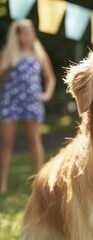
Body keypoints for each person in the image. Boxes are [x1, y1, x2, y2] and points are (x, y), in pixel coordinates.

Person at [0, 20, 56, 193]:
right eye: (25, 33)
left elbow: (51, 78)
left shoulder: (39, 54)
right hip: (11, 102)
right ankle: (2, 184)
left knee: (34, 140)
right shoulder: (9, 54)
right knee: (6, 143)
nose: (28, 36)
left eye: (31, 33)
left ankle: (39, 181)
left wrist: (46, 95)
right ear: (17, 36)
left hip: (32, 103)